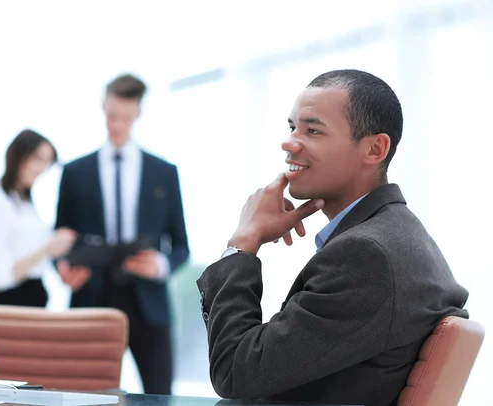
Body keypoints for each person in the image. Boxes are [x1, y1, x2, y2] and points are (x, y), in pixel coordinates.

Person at [196, 69, 469, 406]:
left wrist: (242, 245)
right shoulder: (398, 233)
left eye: (313, 130)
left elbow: (235, 373)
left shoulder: (366, 255)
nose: (289, 142)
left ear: (374, 149)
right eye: (292, 127)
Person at [54, 74, 190, 395]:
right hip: (90, 300)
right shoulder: (74, 173)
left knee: (160, 397)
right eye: (112, 115)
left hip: (149, 305)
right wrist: (61, 266)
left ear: (138, 114)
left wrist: (161, 265)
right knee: (83, 398)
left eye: (125, 117)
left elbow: (181, 245)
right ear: (103, 106)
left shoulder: (164, 173)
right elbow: (60, 238)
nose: (117, 124)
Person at [0, 129, 77, 307]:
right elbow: (1, 276)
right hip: (11, 304)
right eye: (38, 160)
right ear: (19, 156)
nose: (42, 169)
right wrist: (46, 249)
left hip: (35, 299)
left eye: (47, 162)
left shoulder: (28, 205)